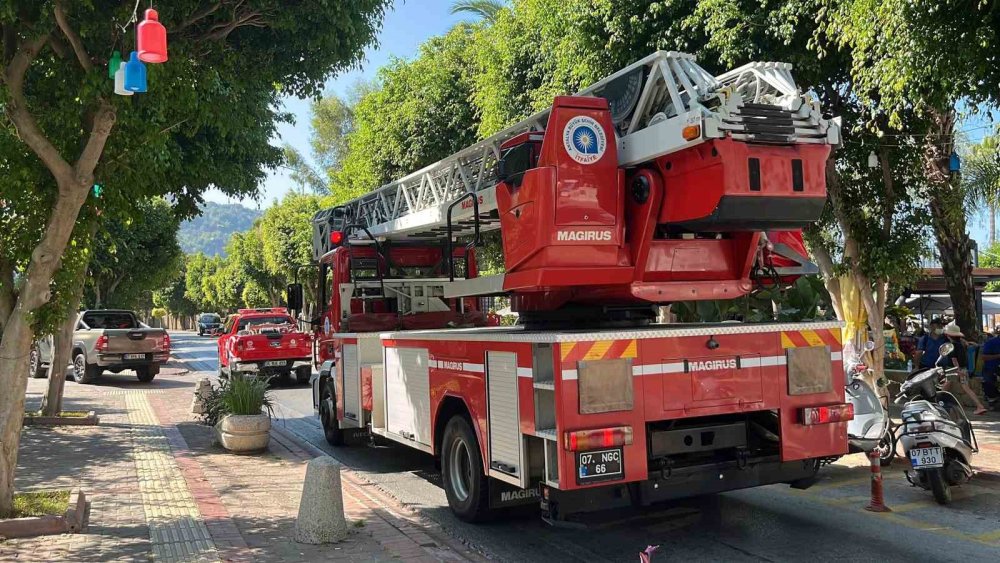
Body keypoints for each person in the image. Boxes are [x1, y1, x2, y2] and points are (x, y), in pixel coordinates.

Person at [941, 322, 988, 415]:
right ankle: (979, 406)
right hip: (963, 368)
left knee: (946, 386)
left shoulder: (952, 346)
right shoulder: (962, 344)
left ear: (948, 335)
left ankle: (936, 402)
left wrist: (957, 370)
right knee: (965, 388)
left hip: (953, 369)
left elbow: (954, 360)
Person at [977, 326, 1000, 408]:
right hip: (991, 368)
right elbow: (984, 357)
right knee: (987, 380)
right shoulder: (991, 342)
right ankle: (992, 398)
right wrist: (998, 356)